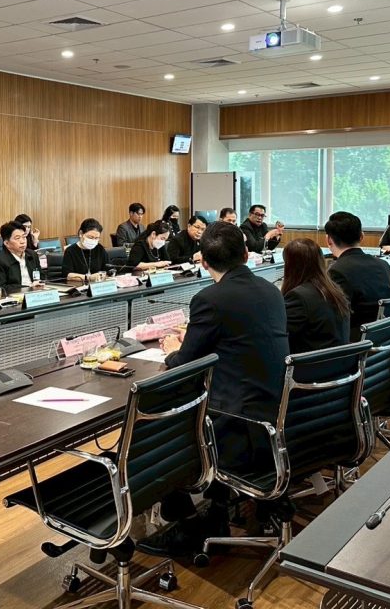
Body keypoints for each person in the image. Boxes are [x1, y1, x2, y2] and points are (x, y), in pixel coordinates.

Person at [158, 221, 287, 551]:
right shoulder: (271, 291)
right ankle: (215, 506)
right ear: (246, 254)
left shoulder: (209, 299)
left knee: (163, 427)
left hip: (238, 425)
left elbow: (186, 362)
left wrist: (170, 351)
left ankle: (186, 522)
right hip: (277, 413)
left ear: (203, 261)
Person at [325, 211, 390, 342]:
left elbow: (334, 318)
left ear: (328, 240)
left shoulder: (337, 271)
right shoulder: (383, 265)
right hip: (384, 341)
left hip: (355, 344)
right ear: (362, 236)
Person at [281, 239, 350, 355]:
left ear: (290, 266)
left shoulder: (298, 297)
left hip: (311, 368)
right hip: (337, 365)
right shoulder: (333, 289)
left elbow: (279, 336)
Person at [0, 220, 41, 291]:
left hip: (36, 295)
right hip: (15, 298)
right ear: (7, 243)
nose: (23, 241)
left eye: (24, 237)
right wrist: (29, 287)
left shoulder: (32, 255)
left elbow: (42, 277)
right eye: (17, 238)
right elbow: (0, 288)